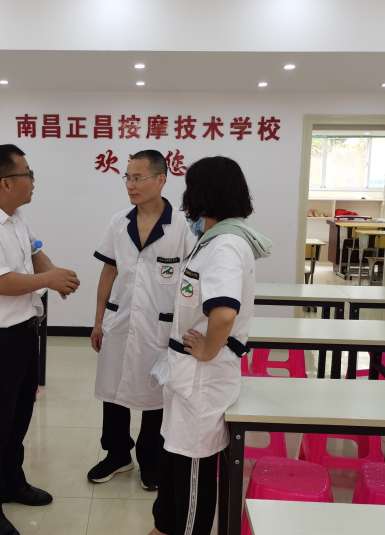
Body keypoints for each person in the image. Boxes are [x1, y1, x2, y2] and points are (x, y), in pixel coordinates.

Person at [0, 144, 80, 535]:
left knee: (18, 418)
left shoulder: (15, 216)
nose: (33, 180)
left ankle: (12, 482)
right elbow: (0, 283)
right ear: (6, 182)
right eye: (28, 174)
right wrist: (48, 279)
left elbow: (35, 252)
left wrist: (55, 275)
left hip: (24, 332)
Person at [149, 156, 272, 535]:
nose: (185, 200)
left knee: (192, 470)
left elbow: (223, 313)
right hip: (187, 375)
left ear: (204, 194)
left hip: (203, 378)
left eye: (190, 190)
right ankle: (164, 527)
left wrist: (206, 350)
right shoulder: (214, 240)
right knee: (173, 455)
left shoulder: (226, 245)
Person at [88, 150, 196, 491]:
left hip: (161, 325)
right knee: (113, 388)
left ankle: (152, 459)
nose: (130, 185)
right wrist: (98, 321)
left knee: (156, 393)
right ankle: (117, 454)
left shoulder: (182, 226)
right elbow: (108, 271)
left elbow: (193, 281)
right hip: (119, 320)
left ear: (161, 180)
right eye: (128, 178)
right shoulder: (119, 221)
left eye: (138, 178)